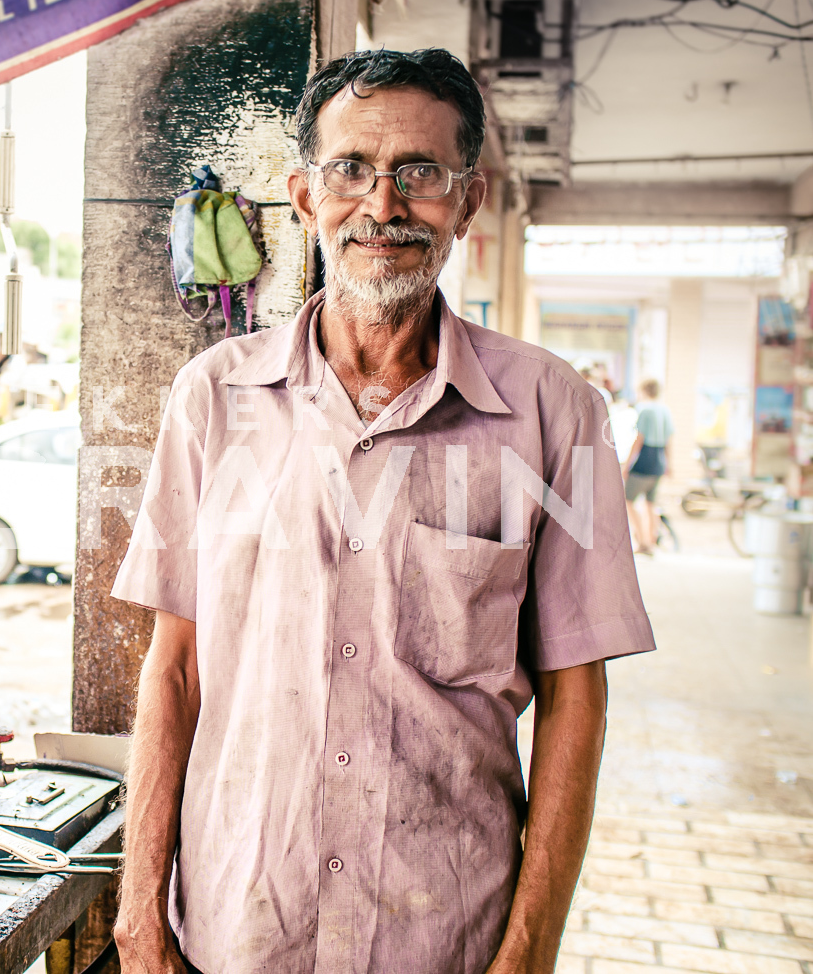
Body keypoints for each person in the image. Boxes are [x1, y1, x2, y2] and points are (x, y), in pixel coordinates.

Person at [111, 48, 655, 974]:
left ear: (469, 199)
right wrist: (137, 911)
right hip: (241, 927)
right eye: (351, 169)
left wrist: (527, 951)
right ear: (303, 194)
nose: (384, 204)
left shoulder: (557, 413)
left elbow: (576, 699)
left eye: (421, 173)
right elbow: (174, 669)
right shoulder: (212, 398)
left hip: (442, 934)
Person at [623, 378, 674, 556]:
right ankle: (652, 541)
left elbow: (639, 439)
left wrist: (627, 465)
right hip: (659, 460)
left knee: (628, 499)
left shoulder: (645, 410)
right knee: (651, 503)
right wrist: (670, 464)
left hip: (645, 458)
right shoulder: (665, 410)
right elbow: (669, 440)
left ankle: (643, 540)